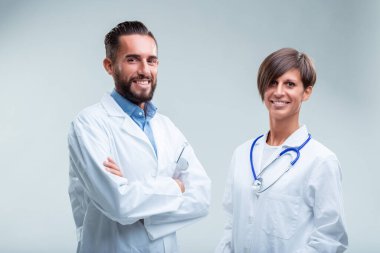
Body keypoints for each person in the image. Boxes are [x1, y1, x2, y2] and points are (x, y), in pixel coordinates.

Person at [68, 21, 211, 253]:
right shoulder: (89, 124)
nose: (145, 70)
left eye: (151, 60)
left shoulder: (167, 127)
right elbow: (119, 204)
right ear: (109, 66)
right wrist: (176, 187)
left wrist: (138, 200)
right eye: (132, 59)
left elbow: (202, 198)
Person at [215, 48, 348, 253]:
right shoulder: (242, 154)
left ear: (306, 92)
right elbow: (231, 224)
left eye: (290, 84)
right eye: (272, 82)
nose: (278, 92)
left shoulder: (321, 161)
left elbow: (330, 240)